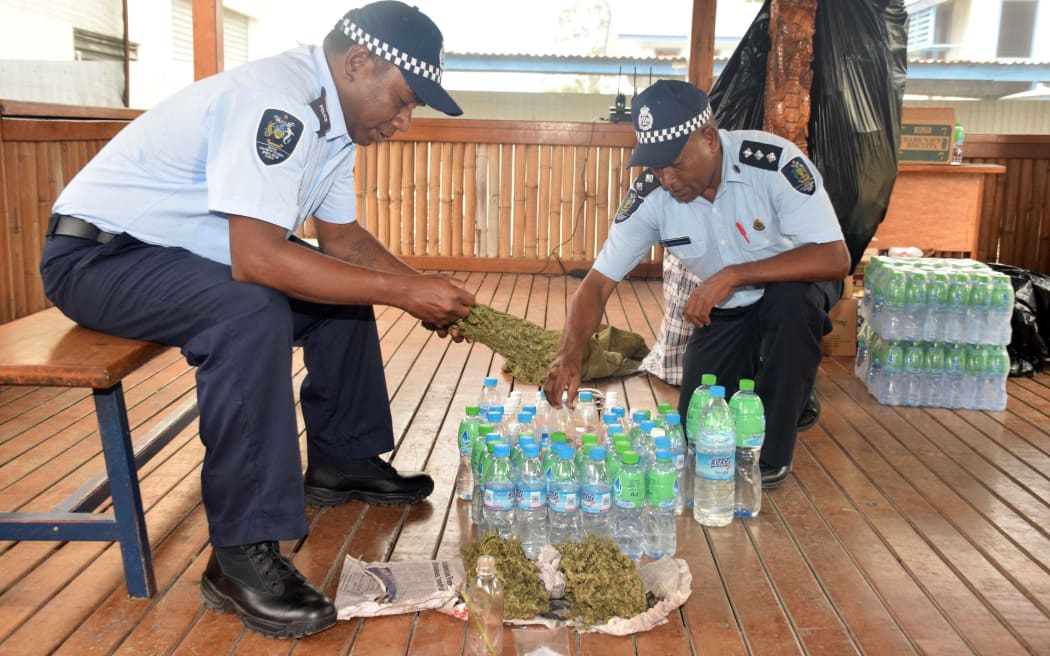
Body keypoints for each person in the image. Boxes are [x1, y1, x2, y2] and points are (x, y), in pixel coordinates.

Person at [39, 1, 475, 639]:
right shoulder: (281, 104)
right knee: (251, 308)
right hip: (98, 257)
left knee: (340, 290)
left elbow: (344, 243)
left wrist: (418, 288)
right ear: (359, 64)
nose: (405, 122)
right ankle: (239, 556)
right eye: (404, 101)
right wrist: (405, 293)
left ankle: (343, 458)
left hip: (172, 253)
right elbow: (257, 258)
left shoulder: (334, 120)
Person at [542, 79, 849, 491]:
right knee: (695, 429)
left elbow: (835, 257)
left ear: (709, 138)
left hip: (796, 286)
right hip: (725, 307)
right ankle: (777, 384)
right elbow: (596, 285)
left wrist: (735, 273)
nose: (666, 179)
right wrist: (569, 356)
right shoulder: (652, 196)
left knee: (789, 306)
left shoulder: (772, 164)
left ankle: (778, 443)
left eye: (675, 163)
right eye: (655, 166)